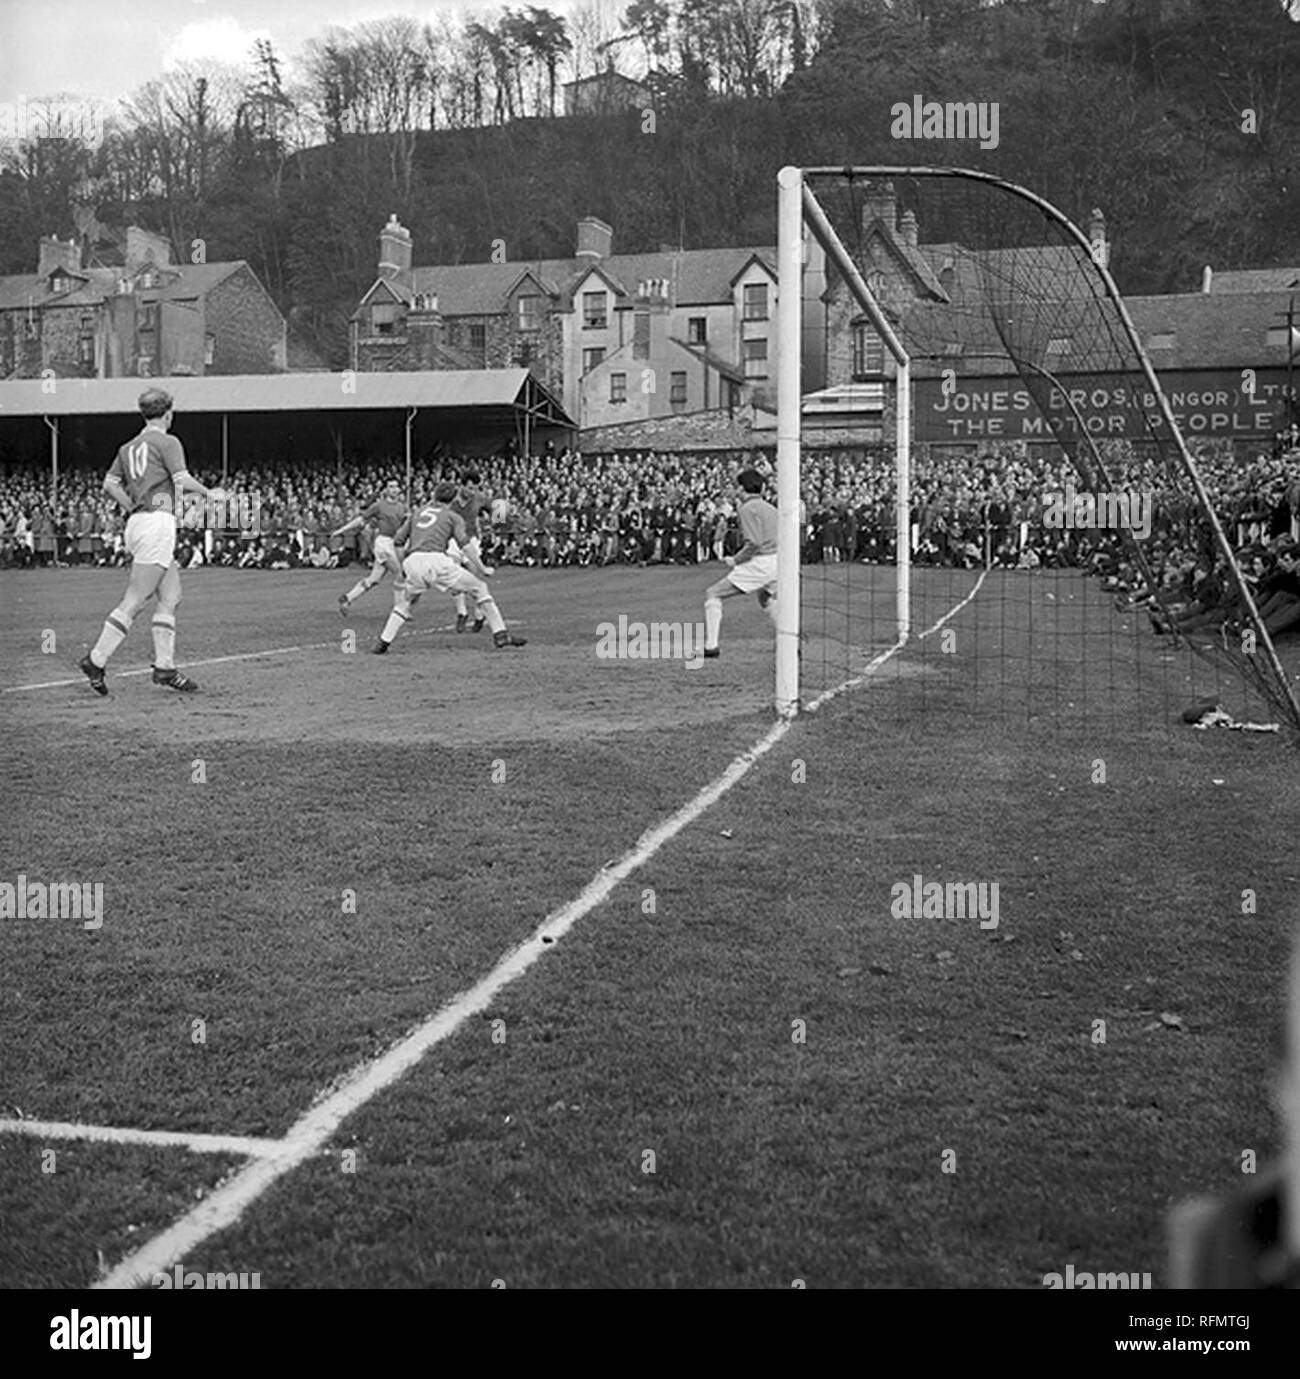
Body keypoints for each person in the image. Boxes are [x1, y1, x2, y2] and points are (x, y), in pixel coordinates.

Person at [78, 388, 223, 695]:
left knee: (171, 595)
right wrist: (211, 494)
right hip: (157, 523)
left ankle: (165, 666)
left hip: (141, 523)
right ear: (168, 413)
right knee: (135, 600)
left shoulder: (127, 447)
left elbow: (109, 484)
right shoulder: (168, 441)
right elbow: (182, 480)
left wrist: (132, 506)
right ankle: (96, 659)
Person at [372, 481, 526, 654]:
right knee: (479, 587)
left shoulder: (417, 512)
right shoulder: (453, 516)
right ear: (453, 498)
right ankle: (500, 634)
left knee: (406, 602)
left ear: (434, 495)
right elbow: (465, 545)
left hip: (414, 561)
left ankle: (383, 642)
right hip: (437, 560)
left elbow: (398, 541)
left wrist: (402, 568)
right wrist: (482, 567)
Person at [702, 469, 779, 660]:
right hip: (778, 560)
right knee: (766, 598)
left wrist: (735, 560)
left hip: (761, 562)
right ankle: (788, 640)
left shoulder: (747, 508)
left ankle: (711, 646)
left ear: (743, 487)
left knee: (713, 593)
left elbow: (754, 542)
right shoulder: (770, 508)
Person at [332, 479, 407, 615]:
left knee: (374, 579)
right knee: (400, 574)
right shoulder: (378, 506)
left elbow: (403, 526)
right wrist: (341, 530)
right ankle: (399, 611)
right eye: (391, 487)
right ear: (386, 490)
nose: (394, 489)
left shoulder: (402, 507)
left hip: (393, 543)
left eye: (396, 486)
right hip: (383, 543)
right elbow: (360, 520)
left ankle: (347, 598)